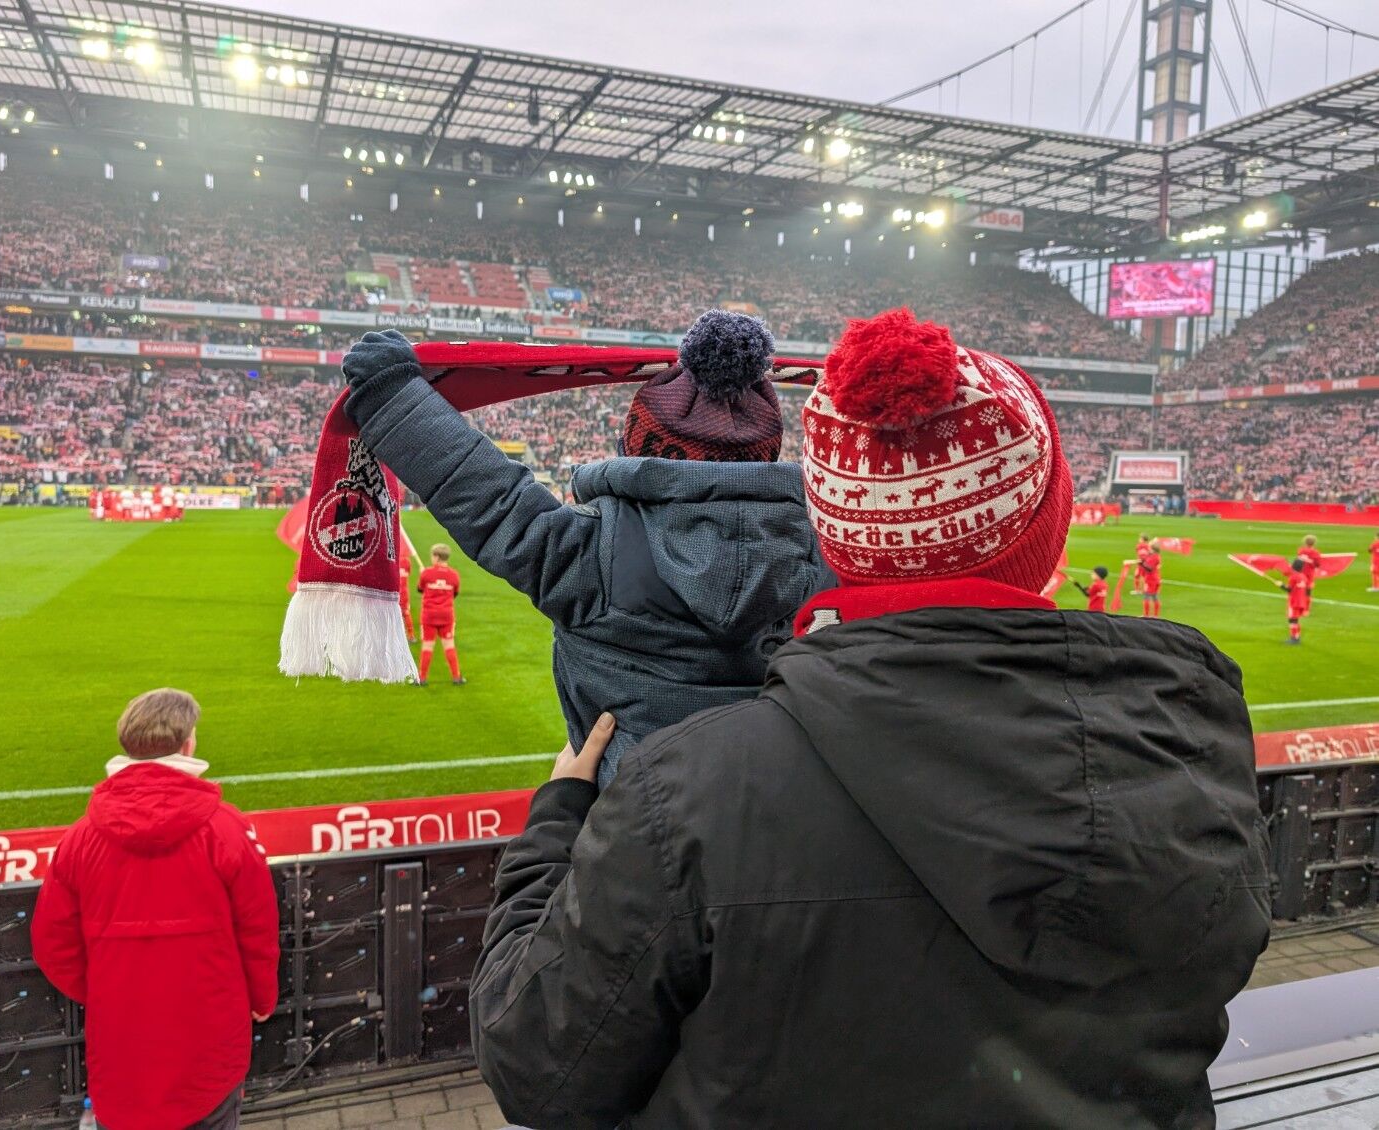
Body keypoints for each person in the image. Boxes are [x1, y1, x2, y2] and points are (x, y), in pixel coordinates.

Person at [469, 309, 1270, 1129]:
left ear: (833, 533)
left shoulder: (686, 792)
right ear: (1047, 525)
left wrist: (558, 825)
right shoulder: (1194, 741)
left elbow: (533, 1063)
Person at [342, 312, 829, 785]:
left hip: (629, 807)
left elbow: (491, 500)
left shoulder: (593, 550)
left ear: (634, 446)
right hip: (790, 796)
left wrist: (392, 396)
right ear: (769, 455)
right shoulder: (829, 553)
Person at [32, 689, 280, 1130]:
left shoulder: (79, 840)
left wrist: (110, 989)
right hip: (210, 1046)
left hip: (123, 1047)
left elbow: (52, 944)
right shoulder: (226, 829)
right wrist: (261, 998)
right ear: (188, 745)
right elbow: (258, 930)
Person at [417, 543, 464, 686]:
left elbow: (420, 589)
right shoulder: (454, 575)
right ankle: (456, 677)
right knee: (449, 645)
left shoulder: (426, 573)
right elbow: (455, 593)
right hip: (447, 615)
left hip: (429, 615)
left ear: (437, 557)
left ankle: (422, 678)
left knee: (427, 646)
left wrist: (423, 574)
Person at [1282, 556, 1312, 644]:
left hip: (1294, 601)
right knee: (1295, 619)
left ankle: (1294, 638)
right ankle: (1296, 637)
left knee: (1292, 619)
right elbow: (1308, 590)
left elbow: (1289, 590)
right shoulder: (1303, 577)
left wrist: (1281, 586)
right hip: (1301, 601)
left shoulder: (1293, 577)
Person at [398, 543, 417, 643]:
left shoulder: (391, 559)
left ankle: (397, 637)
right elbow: (408, 572)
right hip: (404, 592)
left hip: (393, 592)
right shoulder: (406, 561)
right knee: (406, 612)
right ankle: (411, 635)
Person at [1140, 538, 1162, 618]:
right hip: (1156, 579)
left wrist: (1142, 564)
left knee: (1147, 596)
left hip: (1151, 580)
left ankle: (1146, 615)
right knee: (1155, 597)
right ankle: (1156, 616)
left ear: (1152, 549)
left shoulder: (1154, 557)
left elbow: (1149, 568)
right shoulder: (1156, 556)